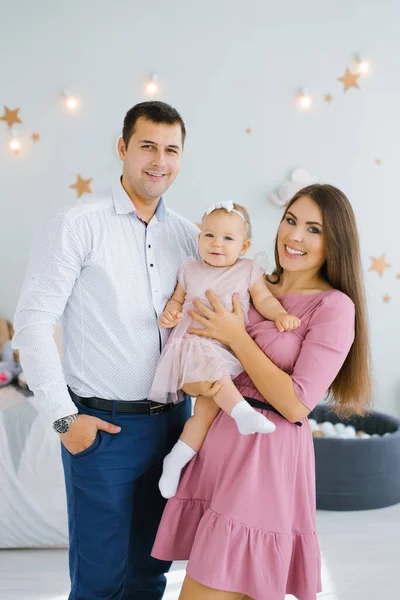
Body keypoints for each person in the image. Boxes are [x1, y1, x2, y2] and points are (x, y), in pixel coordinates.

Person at [12, 101, 199, 600]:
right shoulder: (76, 225)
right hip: (104, 429)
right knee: (99, 580)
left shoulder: (187, 236)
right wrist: (62, 418)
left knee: (151, 572)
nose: (159, 160)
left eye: (171, 150)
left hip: (176, 424)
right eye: (147, 146)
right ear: (122, 149)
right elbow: (32, 322)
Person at [152, 184, 372, 600]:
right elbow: (200, 349)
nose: (294, 236)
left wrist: (238, 337)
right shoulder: (250, 280)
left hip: (267, 456)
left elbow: (295, 403)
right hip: (219, 440)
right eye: (291, 220)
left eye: (314, 229)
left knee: (213, 587)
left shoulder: (334, 306)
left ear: (335, 241)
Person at [149, 200, 301, 498]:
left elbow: (265, 301)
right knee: (215, 379)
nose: (217, 244)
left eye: (228, 238)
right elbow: (177, 300)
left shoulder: (248, 270)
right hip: (195, 343)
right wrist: (171, 313)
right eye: (209, 235)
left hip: (227, 348)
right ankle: (242, 413)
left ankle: (175, 459)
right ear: (199, 237)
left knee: (204, 414)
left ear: (243, 245)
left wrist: (280, 315)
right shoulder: (189, 269)